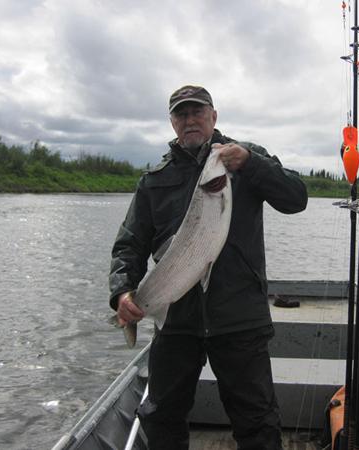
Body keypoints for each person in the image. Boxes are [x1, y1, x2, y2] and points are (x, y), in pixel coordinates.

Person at [109, 85, 308, 449]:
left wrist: (251, 162)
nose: (190, 120)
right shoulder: (154, 181)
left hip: (239, 316)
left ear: (213, 116)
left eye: (197, 112)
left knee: (257, 420)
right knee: (162, 416)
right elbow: (130, 245)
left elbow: (297, 198)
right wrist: (122, 291)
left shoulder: (245, 159)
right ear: (172, 122)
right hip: (176, 319)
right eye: (181, 114)